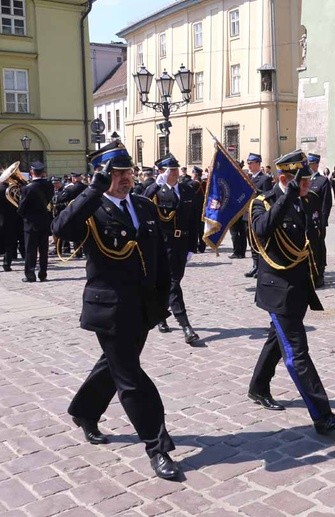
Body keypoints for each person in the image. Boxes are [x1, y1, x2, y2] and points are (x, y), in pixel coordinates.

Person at [51, 141, 180, 479]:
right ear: (104, 174)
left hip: (143, 307)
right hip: (109, 310)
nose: (125, 178)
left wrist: (165, 296)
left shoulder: (143, 205)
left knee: (113, 365)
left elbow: (159, 256)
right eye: (118, 173)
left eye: (128, 172)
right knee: (131, 379)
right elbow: (61, 230)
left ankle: (84, 411)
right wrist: (93, 188)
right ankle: (157, 444)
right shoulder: (91, 209)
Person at [247, 150, 335, 435]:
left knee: (276, 339)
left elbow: (315, 239)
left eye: (306, 181)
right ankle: (322, 415)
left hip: (300, 285)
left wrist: (318, 274)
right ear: (284, 179)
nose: (308, 185)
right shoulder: (262, 202)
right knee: (297, 352)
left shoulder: (311, 198)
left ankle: (257, 387)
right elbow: (262, 230)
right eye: (302, 181)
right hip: (277, 290)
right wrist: (288, 195)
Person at [144, 154, 200, 344]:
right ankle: (186, 325)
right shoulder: (156, 191)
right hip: (163, 244)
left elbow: (193, 220)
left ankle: (160, 315)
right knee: (173, 284)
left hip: (182, 244)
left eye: (176, 170)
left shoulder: (186, 190)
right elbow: (141, 202)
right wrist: (156, 185)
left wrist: (193, 246)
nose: (175, 173)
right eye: (171, 170)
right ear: (162, 172)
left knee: (171, 283)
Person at [18, 161, 54, 282]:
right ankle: (43, 274)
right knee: (44, 249)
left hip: (31, 223)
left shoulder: (26, 189)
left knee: (30, 250)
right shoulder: (49, 185)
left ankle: (30, 275)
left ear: (32, 172)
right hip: (44, 220)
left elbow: (21, 208)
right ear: (43, 172)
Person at [243, 153, 274, 278]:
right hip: (247, 214)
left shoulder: (265, 179)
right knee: (251, 241)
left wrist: (255, 191)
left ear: (258, 163)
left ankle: (262, 266)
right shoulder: (248, 178)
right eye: (248, 163)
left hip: (258, 213)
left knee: (259, 241)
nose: (249, 165)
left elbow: (268, 196)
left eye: (251, 163)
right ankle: (255, 265)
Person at [307, 153, 332, 287]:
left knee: (319, 247)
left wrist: (323, 221)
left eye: (311, 165)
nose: (310, 167)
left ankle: (320, 273)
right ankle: (310, 272)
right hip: (305, 221)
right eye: (308, 165)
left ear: (316, 165)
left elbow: (326, 204)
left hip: (317, 222)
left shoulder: (322, 181)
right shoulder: (304, 180)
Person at [57, 172, 88, 257]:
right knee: (86, 232)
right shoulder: (87, 187)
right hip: (86, 213)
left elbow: (60, 199)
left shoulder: (71, 189)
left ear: (74, 178)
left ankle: (78, 252)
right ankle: (87, 250)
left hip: (75, 212)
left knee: (76, 232)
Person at [0, 162, 24, 271]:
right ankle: (7, 263)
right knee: (10, 242)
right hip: (11, 219)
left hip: (2, 218)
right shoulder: (14, 189)